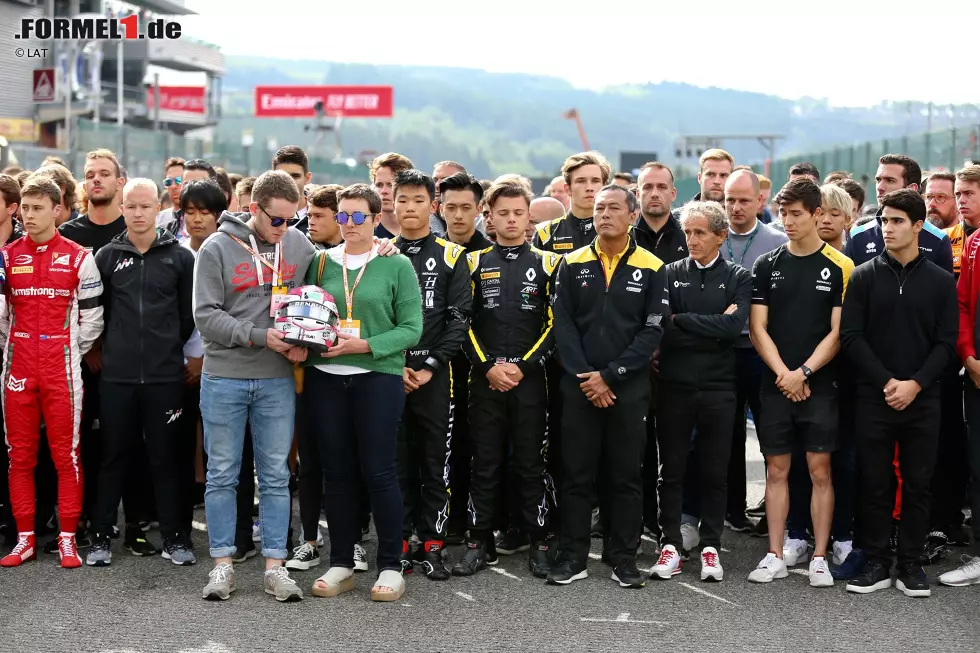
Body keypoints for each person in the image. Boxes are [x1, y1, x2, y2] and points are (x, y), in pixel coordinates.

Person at [194, 170, 316, 602]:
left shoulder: (299, 244)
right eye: (277, 220)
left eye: (292, 219)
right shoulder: (216, 247)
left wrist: (305, 343)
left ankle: (276, 568)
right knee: (223, 474)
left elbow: (317, 300)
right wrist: (259, 335)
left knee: (277, 476)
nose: (284, 229)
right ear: (253, 210)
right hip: (224, 374)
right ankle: (223, 566)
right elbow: (205, 315)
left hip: (276, 379)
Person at [300, 183, 422, 602]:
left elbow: (412, 328)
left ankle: (390, 565)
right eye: (343, 216)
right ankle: (341, 563)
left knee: (379, 471)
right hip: (326, 377)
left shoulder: (396, 264)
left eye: (358, 217)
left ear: (375, 219)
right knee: (336, 472)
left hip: (378, 377)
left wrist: (365, 345)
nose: (349, 224)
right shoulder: (318, 263)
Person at [549, 184, 668, 588]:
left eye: (614, 208)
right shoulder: (572, 262)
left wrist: (612, 375)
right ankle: (572, 557)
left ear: (632, 215)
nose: (604, 215)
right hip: (579, 386)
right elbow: (561, 325)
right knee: (577, 474)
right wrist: (587, 376)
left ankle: (623, 558)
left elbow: (652, 331)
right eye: (599, 208)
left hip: (627, 388)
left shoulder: (653, 266)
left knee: (625, 476)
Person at [841, 189, 957, 597]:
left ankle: (910, 564)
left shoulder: (941, 282)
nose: (887, 229)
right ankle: (876, 561)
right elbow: (852, 337)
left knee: (919, 484)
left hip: (924, 399)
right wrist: (888, 383)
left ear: (918, 226)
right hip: (875, 397)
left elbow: (946, 343)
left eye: (896, 222)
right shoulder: (863, 275)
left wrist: (915, 384)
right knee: (874, 481)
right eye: (883, 221)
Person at [85, 178, 197, 567]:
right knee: (113, 457)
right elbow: (98, 314)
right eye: (130, 206)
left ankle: (175, 537)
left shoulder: (181, 257)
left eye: (145, 206)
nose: (137, 213)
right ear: (122, 207)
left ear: (158, 208)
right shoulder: (107, 256)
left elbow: (188, 318)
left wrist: (168, 351)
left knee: (166, 459)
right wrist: (107, 350)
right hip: (118, 377)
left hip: (166, 377)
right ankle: (99, 537)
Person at [747, 177, 853, 588]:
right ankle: (774, 553)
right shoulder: (766, 264)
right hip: (777, 382)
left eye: (796, 214)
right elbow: (758, 328)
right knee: (777, 469)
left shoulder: (840, 266)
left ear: (816, 214)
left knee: (820, 468)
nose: (788, 222)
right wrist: (784, 375)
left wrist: (804, 372)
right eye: (783, 214)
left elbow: (838, 332)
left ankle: (821, 556)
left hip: (820, 385)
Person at [452, 179, 560, 578]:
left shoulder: (550, 263)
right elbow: (461, 324)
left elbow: (556, 324)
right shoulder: (472, 262)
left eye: (518, 213)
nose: (511, 220)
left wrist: (523, 368)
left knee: (531, 464)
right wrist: (488, 368)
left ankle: (539, 542)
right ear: (490, 217)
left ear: (528, 216)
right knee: (485, 462)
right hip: (485, 379)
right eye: (503, 214)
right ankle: (479, 542)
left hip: (531, 381)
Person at [0, 177, 104, 568]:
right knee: (20, 455)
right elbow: (2, 318)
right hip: (19, 364)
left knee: (67, 455)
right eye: (24, 208)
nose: (28, 215)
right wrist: (15, 349)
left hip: (61, 366)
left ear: (58, 210)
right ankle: (24, 539)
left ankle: (66, 538)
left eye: (37, 208)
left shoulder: (80, 257)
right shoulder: (7, 257)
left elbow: (94, 319)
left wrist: (66, 351)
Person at [650, 201, 751, 583]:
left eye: (700, 233)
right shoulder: (668, 273)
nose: (691, 239)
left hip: (719, 388)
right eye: (687, 232)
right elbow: (662, 326)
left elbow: (733, 329)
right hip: (674, 386)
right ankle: (671, 545)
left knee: (714, 471)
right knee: (670, 469)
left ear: (720, 236)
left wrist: (685, 320)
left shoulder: (739, 276)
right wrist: (707, 323)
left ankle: (711, 546)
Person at [389, 169, 471, 579]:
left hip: (437, 379)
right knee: (397, 463)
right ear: (393, 203)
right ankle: (401, 544)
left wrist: (429, 367)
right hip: (390, 374)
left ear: (432, 206)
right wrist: (397, 364)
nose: (409, 207)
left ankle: (433, 546)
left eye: (418, 200)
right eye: (402, 199)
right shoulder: (381, 253)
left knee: (435, 465)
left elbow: (459, 320)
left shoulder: (453, 255)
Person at [720, 169, 788, 535]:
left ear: (760, 201)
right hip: (721, 349)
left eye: (744, 200)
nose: (736, 207)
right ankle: (732, 509)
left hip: (762, 350)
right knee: (726, 433)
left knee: (769, 431)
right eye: (730, 199)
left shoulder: (776, 241)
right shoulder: (710, 236)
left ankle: (772, 508)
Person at [845, 154, 953, 273]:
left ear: (911, 188)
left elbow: (943, 288)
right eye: (878, 180)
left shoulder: (938, 239)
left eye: (890, 180)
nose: (880, 187)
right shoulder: (858, 236)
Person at [533, 151, 612, 254]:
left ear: (604, 187)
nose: (589, 188)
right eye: (581, 181)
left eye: (595, 181)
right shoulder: (546, 233)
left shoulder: (621, 231)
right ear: (567, 189)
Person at [370, 152, 414, 239]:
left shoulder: (423, 232)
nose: (384, 191)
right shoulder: (366, 233)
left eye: (391, 185)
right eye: (379, 185)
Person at [272, 146, 313, 233]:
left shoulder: (321, 216)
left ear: (307, 178)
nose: (288, 181)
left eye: (295, 176)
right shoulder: (260, 214)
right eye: (282, 176)